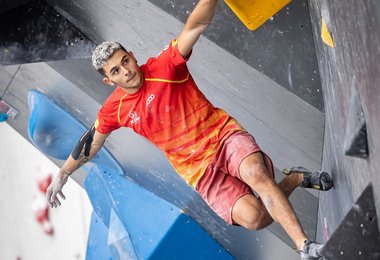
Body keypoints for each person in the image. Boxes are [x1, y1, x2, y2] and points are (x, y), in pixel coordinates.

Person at [46, 1, 332, 259]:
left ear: (132, 55)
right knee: (255, 218)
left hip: (223, 137)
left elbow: (195, 25)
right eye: (116, 71)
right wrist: (63, 173)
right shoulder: (114, 110)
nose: (127, 71)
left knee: (256, 174)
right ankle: (294, 179)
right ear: (109, 81)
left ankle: (305, 247)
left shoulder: (165, 65)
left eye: (125, 61)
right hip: (198, 172)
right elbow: (90, 143)